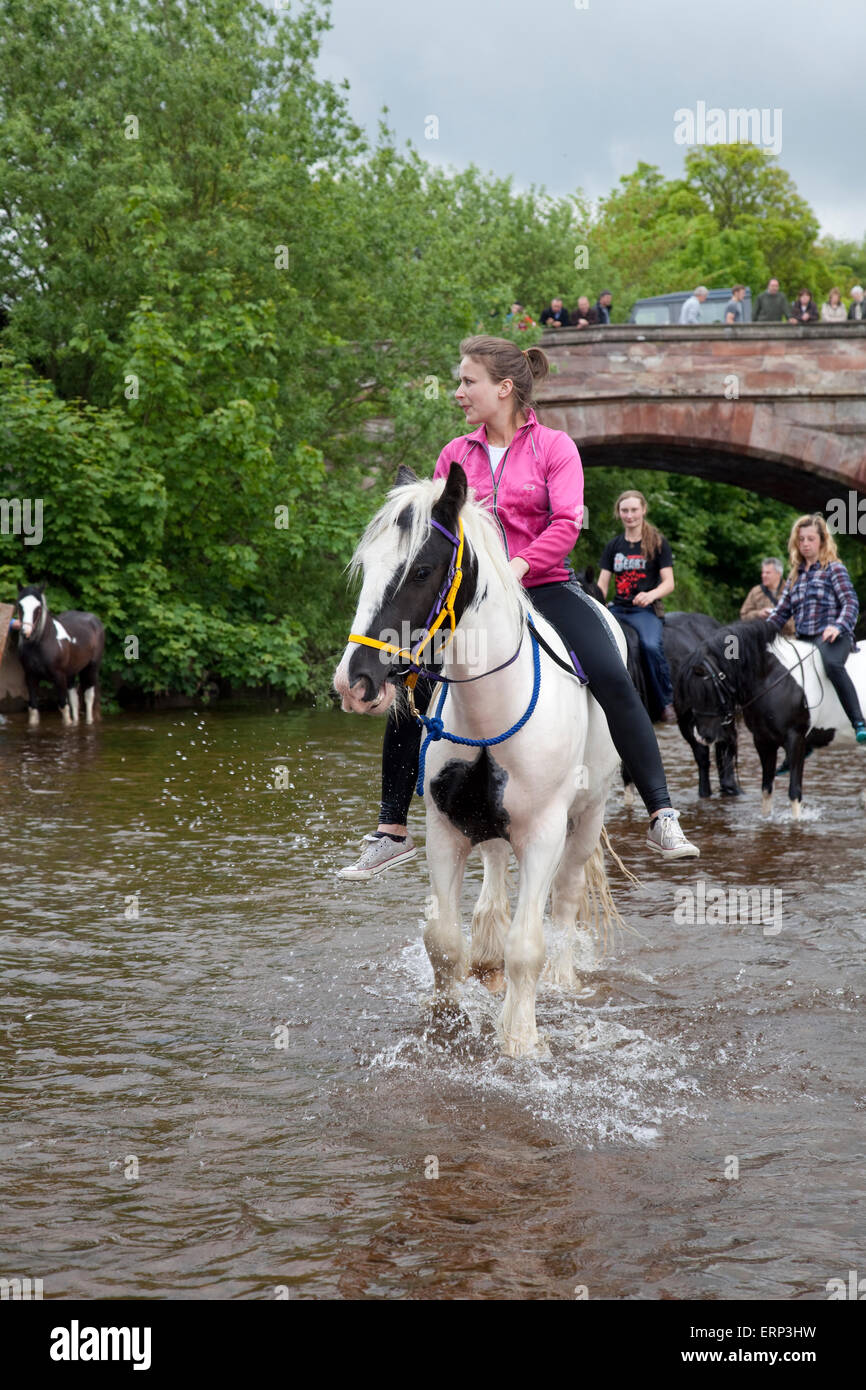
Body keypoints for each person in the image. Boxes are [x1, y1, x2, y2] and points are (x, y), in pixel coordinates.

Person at [339, 337, 699, 878]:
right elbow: (435, 538)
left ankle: (660, 810)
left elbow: (566, 524)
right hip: (472, 601)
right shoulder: (454, 455)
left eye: (468, 381)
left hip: (545, 585)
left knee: (610, 671)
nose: (459, 392)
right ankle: (391, 828)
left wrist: (520, 568)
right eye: (460, 381)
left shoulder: (556, 448)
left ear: (503, 388)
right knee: (412, 681)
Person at [765, 514, 866, 743]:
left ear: (822, 540)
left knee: (831, 665)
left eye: (811, 539)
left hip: (834, 638)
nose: (805, 544)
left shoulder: (834, 569)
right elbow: (781, 612)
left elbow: (851, 603)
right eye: (801, 540)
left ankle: (858, 720)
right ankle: (803, 740)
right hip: (804, 639)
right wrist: (760, 634)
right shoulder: (795, 576)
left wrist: (838, 626)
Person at [597, 494, 678, 725]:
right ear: (618, 513)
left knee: (650, 646)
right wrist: (599, 606)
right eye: (625, 511)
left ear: (643, 510)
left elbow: (669, 583)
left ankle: (665, 702)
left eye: (634, 510)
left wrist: (650, 595)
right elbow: (603, 583)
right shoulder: (614, 545)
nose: (629, 515)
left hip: (645, 611)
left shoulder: (658, 543)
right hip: (618, 609)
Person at [740, 557, 795, 635]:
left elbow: (797, 622)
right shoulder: (755, 591)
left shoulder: (791, 591)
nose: (763, 575)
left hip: (786, 639)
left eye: (768, 573)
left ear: (778, 574)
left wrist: (777, 617)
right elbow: (744, 616)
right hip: (760, 638)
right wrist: (758, 614)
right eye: (763, 572)